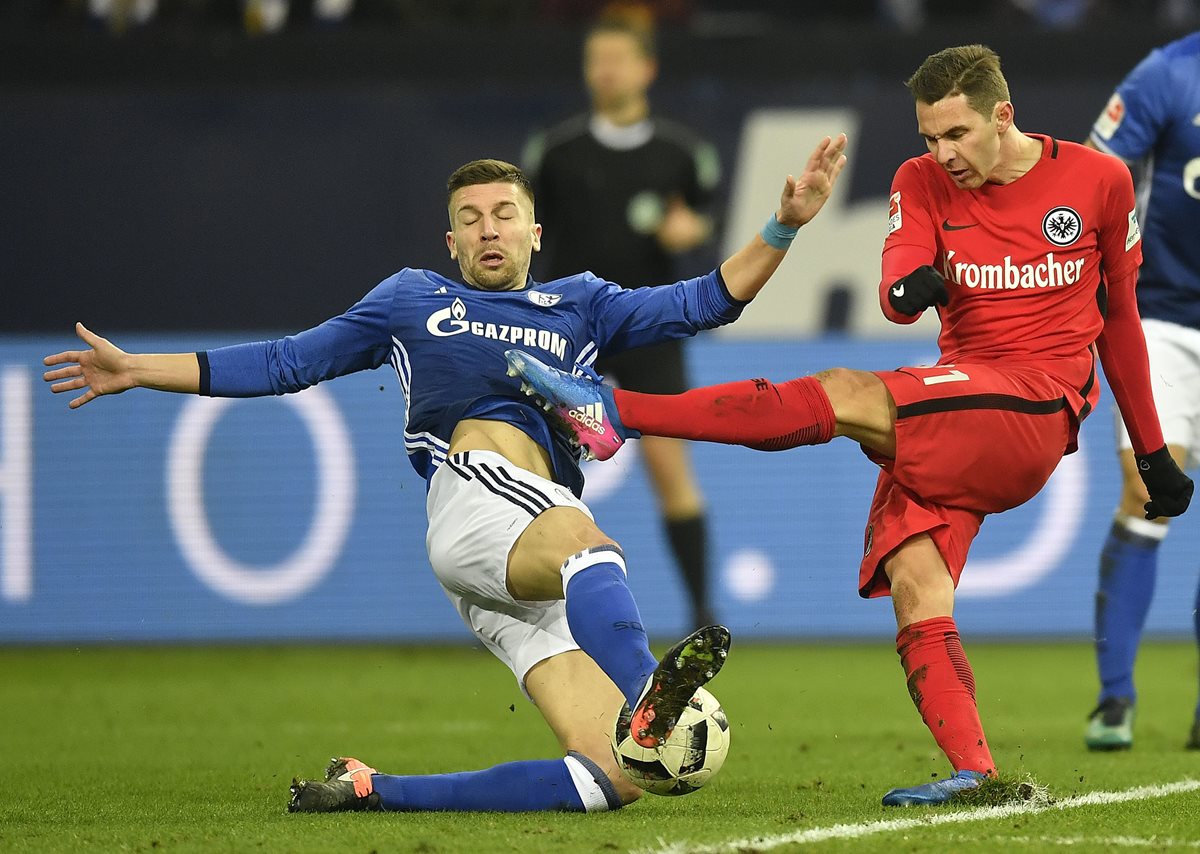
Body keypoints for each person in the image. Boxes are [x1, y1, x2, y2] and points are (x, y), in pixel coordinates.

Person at [42, 140, 848, 813]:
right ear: (451, 242)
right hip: (478, 496)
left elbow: (705, 301)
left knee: (614, 778)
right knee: (588, 547)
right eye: (470, 219)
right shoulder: (410, 300)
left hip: (515, 552)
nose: (488, 229)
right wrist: (138, 369)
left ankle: (374, 790)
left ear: (536, 232)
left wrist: (783, 224)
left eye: (504, 215)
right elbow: (288, 361)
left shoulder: (581, 305)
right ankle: (651, 694)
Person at [504, 44, 1195, 807]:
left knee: (841, 393)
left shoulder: (1098, 182)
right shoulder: (919, 181)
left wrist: (1153, 448)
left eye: (958, 135)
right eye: (930, 137)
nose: (943, 154)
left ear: (1004, 116)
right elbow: (899, 283)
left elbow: (1121, 319)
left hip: (1036, 403)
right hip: (966, 408)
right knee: (916, 583)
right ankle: (979, 773)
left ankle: (617, 414)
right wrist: (911, 285)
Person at [523, 10, 722, 629]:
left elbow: (702, 218)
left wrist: (692, 229)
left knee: (669, 466)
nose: (605, 72)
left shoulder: (680, 152)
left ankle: (700, 613)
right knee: (531, 464)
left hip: (646, 326)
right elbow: (534, 234)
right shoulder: (554, 153)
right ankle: (526, 604)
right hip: (567, 325)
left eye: (617, 59)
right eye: (595, 61)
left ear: (646, 69)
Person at [1082, 31, 1200, 752]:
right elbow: (1093, 180)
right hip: (1159, 315)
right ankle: (1114, 697)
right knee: (1148, 488)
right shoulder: (1166, 74)